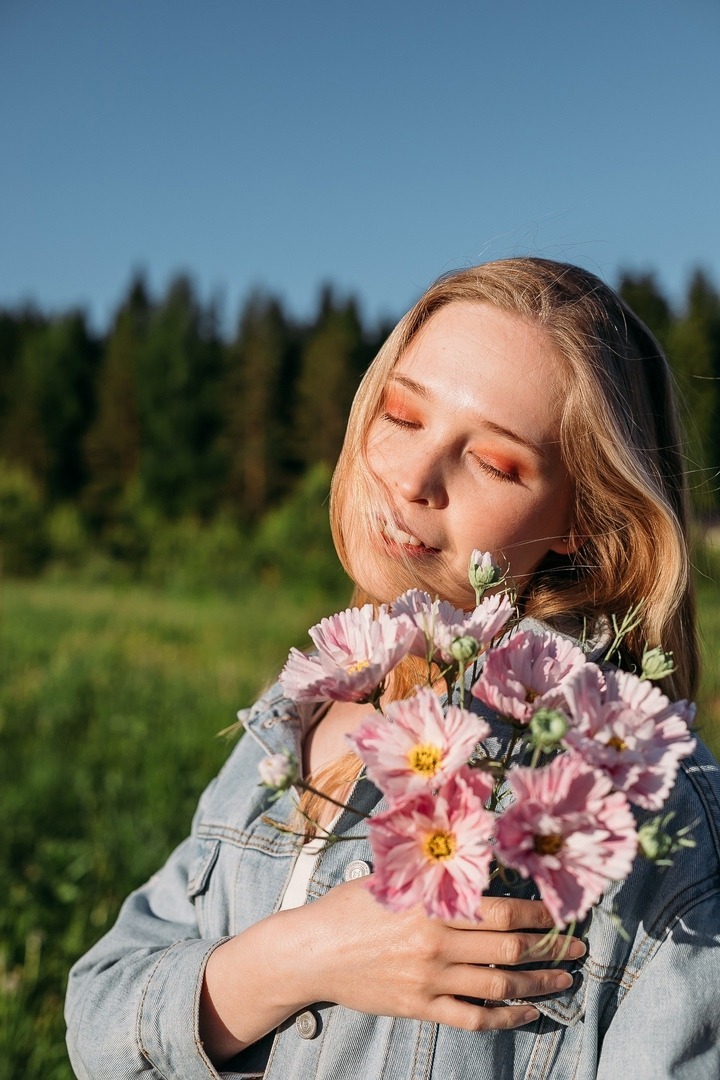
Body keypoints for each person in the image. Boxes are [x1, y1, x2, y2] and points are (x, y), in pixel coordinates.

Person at [65, 258, 720, 1079]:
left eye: (495, 462)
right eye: (402, 416)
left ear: (584, 521)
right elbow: (96, 1019)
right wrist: (299, 957)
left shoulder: (650, 807)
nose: (411, 480)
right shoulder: (297, 711)